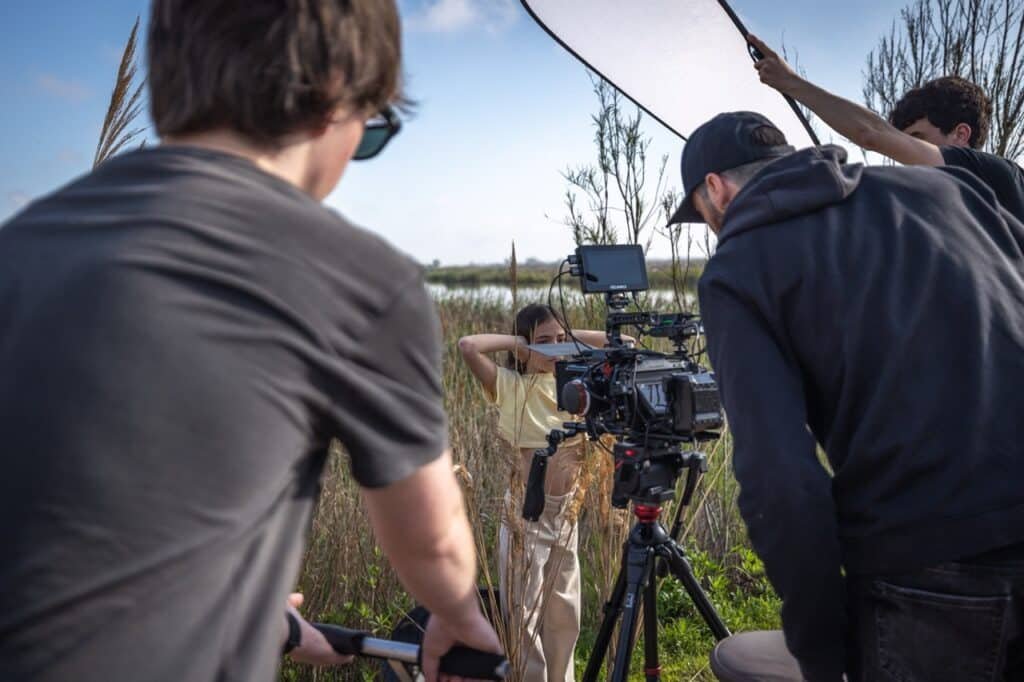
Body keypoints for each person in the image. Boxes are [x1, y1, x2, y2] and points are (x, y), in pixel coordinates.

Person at [0, 2, 500, 681]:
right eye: (371, 130)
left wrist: (261, 615)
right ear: (335, 88)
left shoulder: (23, 245)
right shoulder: (359, 280)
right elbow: (434, 544)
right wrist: (460, 618)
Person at [666, 111, 1024, 681]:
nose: (712, 227)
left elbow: (780, 480)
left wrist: (823, 652)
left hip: (923, 573)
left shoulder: (740, 266)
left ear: (715, 189)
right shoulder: (949, 192)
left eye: (704, 216)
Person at [457, 305, 616, 682]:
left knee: (565, 612)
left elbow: (622, 343)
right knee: (524, 612)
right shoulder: (510, 385)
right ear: (523, 347)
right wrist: (523, 344)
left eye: (561, 342)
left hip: (566, 515)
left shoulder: (577, 389)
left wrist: (565, 340)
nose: (556, 349)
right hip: (526, 517)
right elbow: (467, 346)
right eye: (545, 342)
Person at [747, 34, 1024, 224]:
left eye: (919, 139)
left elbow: (871, 133)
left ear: (961, 135)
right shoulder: (950, 211)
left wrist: (790, 82)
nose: (906, 157)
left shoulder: (999, 175)